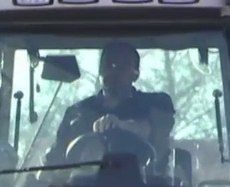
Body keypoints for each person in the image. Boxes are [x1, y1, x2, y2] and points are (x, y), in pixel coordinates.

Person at [46, 41, 176, 168]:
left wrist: (120, 125)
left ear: (136, 73)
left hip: (148, 180)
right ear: (100, 70)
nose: (114, 71)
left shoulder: (156, 104)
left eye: (123, 66)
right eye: (109, 65)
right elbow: (55, 160)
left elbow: (157, 130)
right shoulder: (78, 112)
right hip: (84, 181)